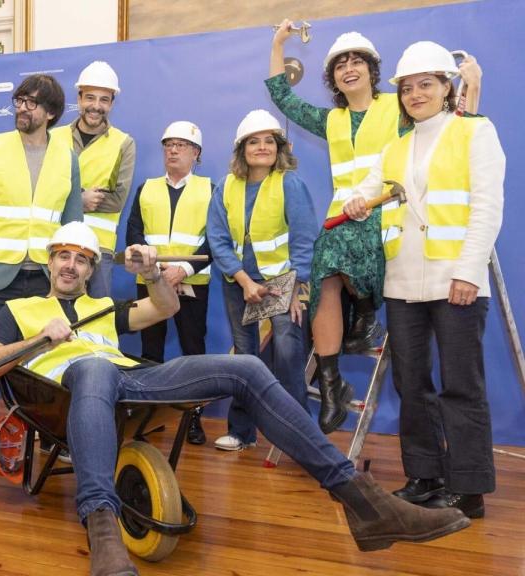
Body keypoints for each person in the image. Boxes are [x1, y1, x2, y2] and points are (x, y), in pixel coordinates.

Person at [0, 222, 472, 576]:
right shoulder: (23, 308)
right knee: (93, 365)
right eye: (63, 257)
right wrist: (38, 340)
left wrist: (149, 274)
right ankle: (102, 529)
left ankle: (363, 502)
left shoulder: (103, 307)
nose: (71, 266)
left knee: (245, 366)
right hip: (68, 388)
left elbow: (162, 308)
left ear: (92, 266)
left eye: (81, 258)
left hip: (128, 385)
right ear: (50, 261)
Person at [267, 22, 483, 433]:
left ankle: (365, 313)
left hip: (391, 217)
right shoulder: (331, 120)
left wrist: (472, 89)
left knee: (332, 252)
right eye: (339, 65)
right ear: (332, 78)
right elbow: (282, 97)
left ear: (371, 69)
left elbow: (454, 133)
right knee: (325, 269)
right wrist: (279, 42)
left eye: (356, 62)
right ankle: (332, 385)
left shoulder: (400, 108)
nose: (348, 69)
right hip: (342, 221)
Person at [343, 41, 504, 518]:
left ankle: (468, 489)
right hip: (404, 283)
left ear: (445, 88)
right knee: (411, 384)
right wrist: (355, 201)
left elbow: (486, 208)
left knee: (461, 386)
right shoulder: (396, 147)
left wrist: (469, 272)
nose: (415, 95)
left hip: (456, 280)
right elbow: (368, 190)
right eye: (408, 88)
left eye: (425, 85)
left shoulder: (475, 132)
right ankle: (425, 476)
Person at [0, 74, 83, 470]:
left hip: (45, 280)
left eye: (32, 102)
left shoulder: (67, 158)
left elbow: (73, 224)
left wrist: (75, 274)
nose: (22, 107)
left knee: (46, 364)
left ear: (51, 113)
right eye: (19, 100)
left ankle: (48, 437)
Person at [206, 109, 318, 451]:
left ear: (279, 148)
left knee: (287, 353)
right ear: (242, 150)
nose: (262, 147)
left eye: (269, 141)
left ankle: (298, 438)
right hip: (239, 283)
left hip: (282, 283)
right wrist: (244, 281)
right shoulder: (227, 186)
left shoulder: (290, 183)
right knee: (245, 356)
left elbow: (304, 239)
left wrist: (296, 290)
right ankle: (242, 432)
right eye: (254, 142)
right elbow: (218, 238)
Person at [124, 120, 214, 445]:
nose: (173, 150)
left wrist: (182, 271)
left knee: (193, 353)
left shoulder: (209, 190)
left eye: (181, 145)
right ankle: (151, 416)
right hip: (150, 281)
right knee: (150, 351)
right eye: (168, 144)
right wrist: (157, 272)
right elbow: (133, 233)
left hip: (192, 284)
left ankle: (194, 419)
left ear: (196, 153)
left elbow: (216, 240)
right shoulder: (145, 188)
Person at [50, 61, 136, 297]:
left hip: (99, 249)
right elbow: (41, 191)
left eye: (104, 100)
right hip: (56, 245)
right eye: (90, 98)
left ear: (111, 103)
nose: (96, 106)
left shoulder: (123, 143)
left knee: (97, 320)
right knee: (52, 320)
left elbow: (117, 199)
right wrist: (80, 199)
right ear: (78, 99)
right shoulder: (53, 137)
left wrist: (67, 197)